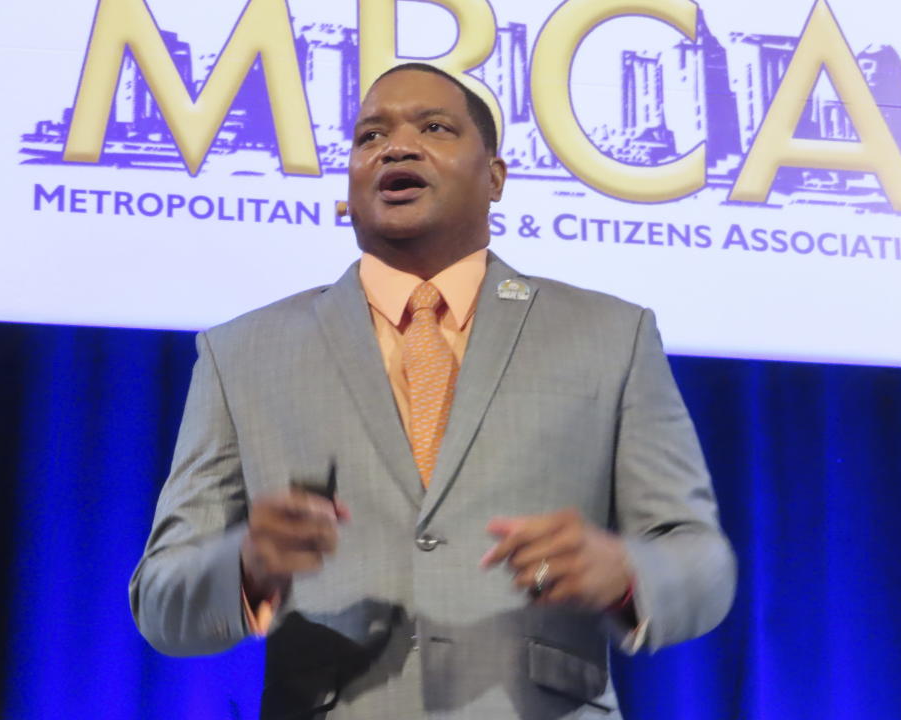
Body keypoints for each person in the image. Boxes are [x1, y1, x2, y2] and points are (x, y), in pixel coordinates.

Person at [130, 62, 736, 719]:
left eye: (435, 127)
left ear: (495, 177)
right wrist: (244, 566)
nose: (395, 146)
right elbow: (161, 599)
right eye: (369, 137)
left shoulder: (611, 336)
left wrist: (625, 574)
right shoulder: (241, 352)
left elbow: (700, 560)